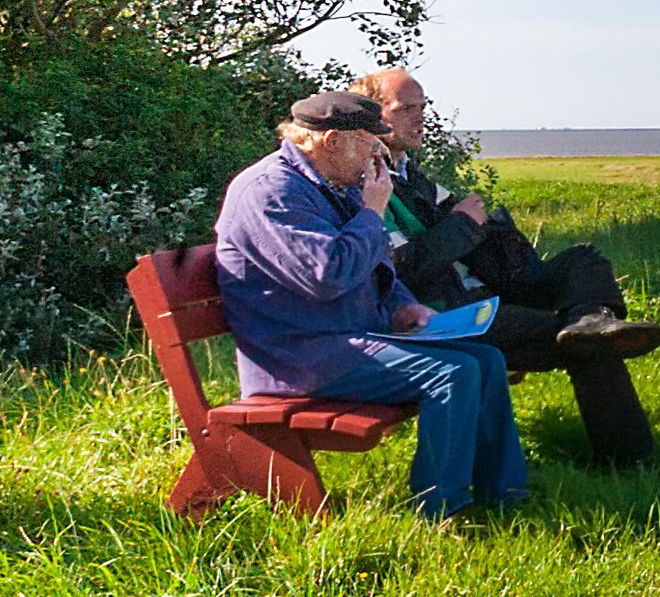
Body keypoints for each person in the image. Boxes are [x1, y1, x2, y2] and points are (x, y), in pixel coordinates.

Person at [213, 86, 526, 527]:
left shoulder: (329, 185)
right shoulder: (272, 193)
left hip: (344, 339)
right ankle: (443, 511)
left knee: (487, 359)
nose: (377, 151)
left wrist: (403, 307)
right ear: (331, 141)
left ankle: (506, 496)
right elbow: (328, 276)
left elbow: (377, 266)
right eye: (368, 141)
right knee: (451, 374)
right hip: (297, 356)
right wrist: (372, 212)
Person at [351, 67, 660, 469]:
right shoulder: (370, 181)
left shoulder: (411, 174)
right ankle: (630, 464)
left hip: (484, 290)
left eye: (423, 106)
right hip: (449, 314)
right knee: (589, 348)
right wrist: (463, 223)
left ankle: (591, 320)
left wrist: (489, 231)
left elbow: (464, 228)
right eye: (407, 107)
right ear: (375, 115)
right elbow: (403, 272)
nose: (420, 116)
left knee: (583, 260)